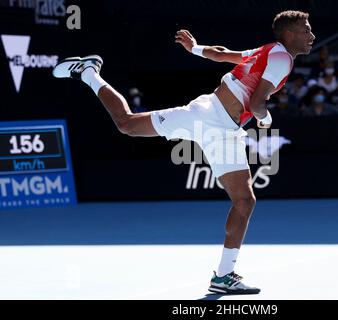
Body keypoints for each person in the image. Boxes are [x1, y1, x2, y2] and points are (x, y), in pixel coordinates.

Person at [52, 10, 315, 295]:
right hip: (205, 116)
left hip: (226, 132)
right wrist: (265, 119)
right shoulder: (281, 58)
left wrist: (196, 48)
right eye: (306, 30)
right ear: (288, 35)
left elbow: (224, 54)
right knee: (127, 124)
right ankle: (89, 73)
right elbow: (256, 100)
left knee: (244, 201)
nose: (311, 36)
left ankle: (224, 276)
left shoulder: (268, 52)